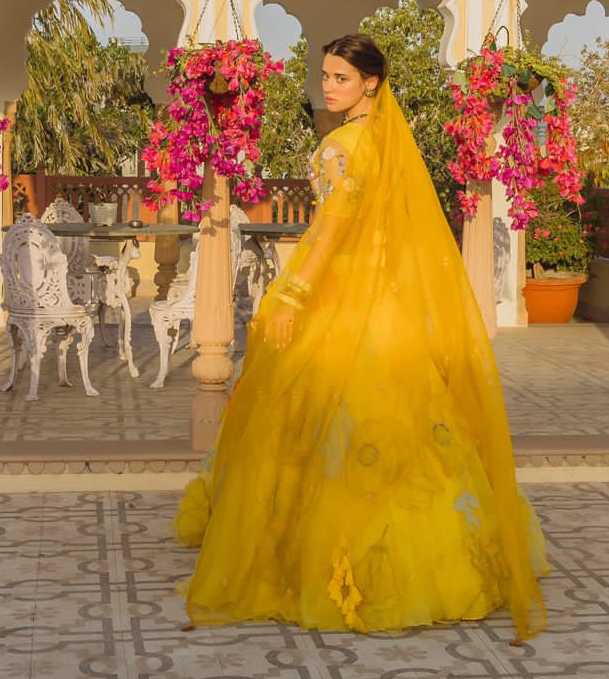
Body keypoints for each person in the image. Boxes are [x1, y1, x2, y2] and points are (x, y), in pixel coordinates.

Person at [175, 32, 549, 642]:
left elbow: (328, 231)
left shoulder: (340, 147)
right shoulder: (391, 145)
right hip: (389, 309)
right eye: (325, 75)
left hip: (341, 303)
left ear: (371, 82)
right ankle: (442, 554)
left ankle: (333, 561)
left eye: (341, 77)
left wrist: (292, 294)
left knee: (327, 419)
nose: (328, 85)